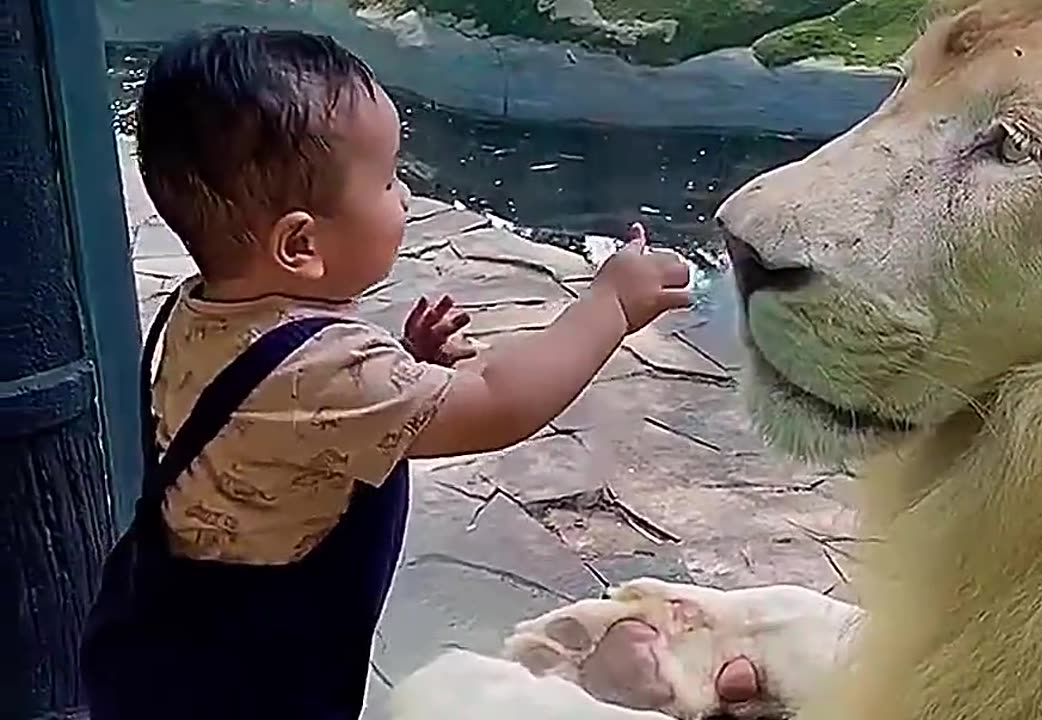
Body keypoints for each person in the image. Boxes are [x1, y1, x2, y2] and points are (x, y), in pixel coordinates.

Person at [80, 26, 690, 720]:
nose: (406, 194)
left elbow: (284, 420)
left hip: (159, 636)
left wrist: (405, 365)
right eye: (391, 178)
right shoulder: (333, 373)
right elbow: (496, 402)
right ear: (302, 244)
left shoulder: (200, 311)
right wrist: (610, 303)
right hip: (250, 684)